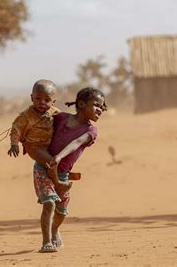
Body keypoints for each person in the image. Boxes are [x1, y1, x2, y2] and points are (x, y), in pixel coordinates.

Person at [34, 87, 107, 253]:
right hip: (43, 168)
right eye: (96, 105)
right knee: (49, 203)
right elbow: (39, 118)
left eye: (102, 107)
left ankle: (54, 229)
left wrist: (59, 157)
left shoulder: (91, 131)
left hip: (63, 174)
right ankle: (46, 242)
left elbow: (76, 143)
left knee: (62, 211)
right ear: (81, 104)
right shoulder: (60, 118)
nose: (100, 110)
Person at [7, 79, 70, 191]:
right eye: (38, 99)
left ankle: (62, 173)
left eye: (47, 100)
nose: (42, 102)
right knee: (52, 162)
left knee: (61, 157)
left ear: (53, 102)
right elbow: (16, 128)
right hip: (34, 147)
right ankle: (58, 183)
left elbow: (65, 121)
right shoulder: (26, 116)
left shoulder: (54, 112)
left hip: (49, 146)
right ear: (32, 98)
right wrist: (14, 144)